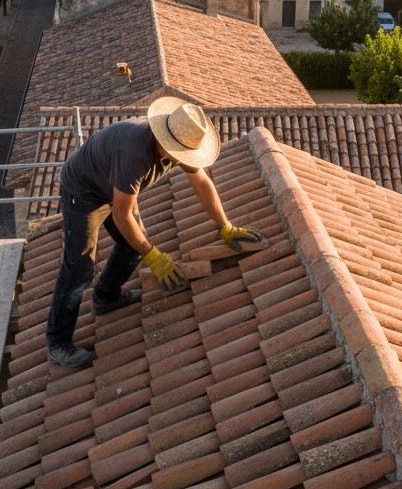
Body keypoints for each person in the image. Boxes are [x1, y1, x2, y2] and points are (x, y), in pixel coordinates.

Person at [45, 97, 264, 367]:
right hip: (84, 191)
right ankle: (58, 343)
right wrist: (154, 256)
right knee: (79, 269)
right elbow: (122, 214)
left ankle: (106, 297)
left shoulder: (177, 143)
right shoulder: (135, 154)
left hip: (114, 187)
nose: (183, 160)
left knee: (132, 248)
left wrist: (225, 226)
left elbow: (202, 184)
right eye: (180, 154)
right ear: (167, 142)